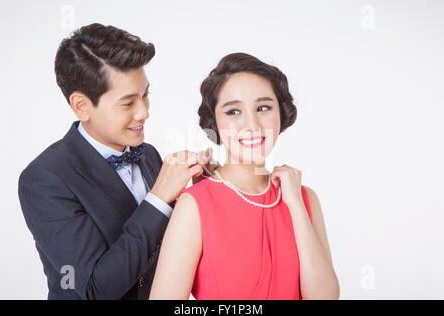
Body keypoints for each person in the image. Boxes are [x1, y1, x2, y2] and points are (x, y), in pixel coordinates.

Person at [18, 23, 217, 300]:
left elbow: (169, 249)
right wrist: (159, 197)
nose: (144, 112)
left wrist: (198, 191)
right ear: (81, 106)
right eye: (128, 103)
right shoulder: (44, 179)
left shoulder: (148, 155)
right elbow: (96, 289)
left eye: (146, 94)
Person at [149, 53, 340, 300]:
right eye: (233, 112)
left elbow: (325, 297)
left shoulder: (303, 198)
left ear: (281, 113)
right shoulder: (196, 203)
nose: (251, 124)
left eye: (263, 108)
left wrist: (295, 205)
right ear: (214, 122)